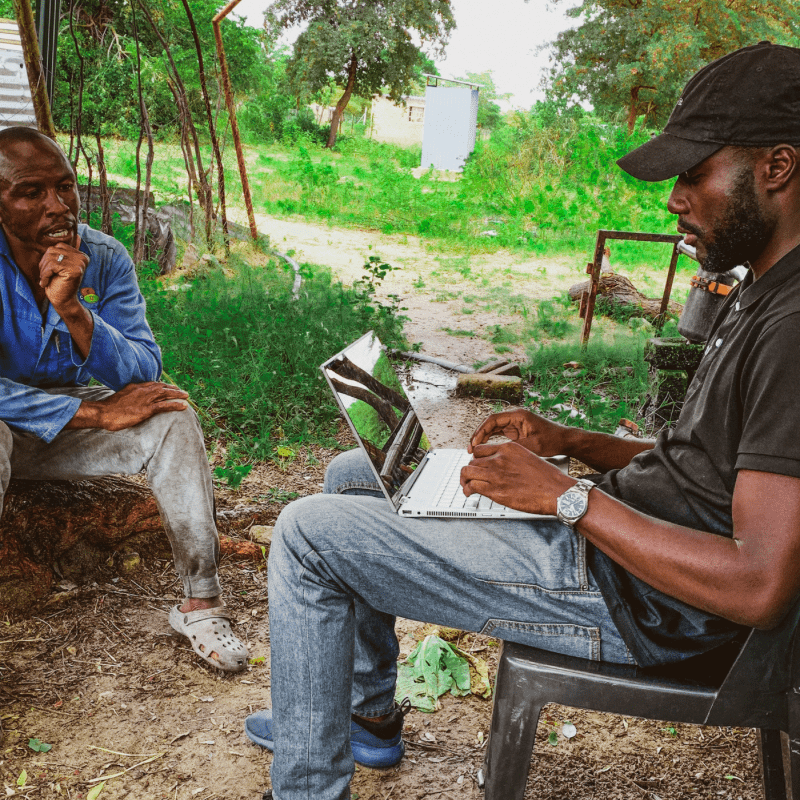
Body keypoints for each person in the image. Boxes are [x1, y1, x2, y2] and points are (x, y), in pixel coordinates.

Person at [249, 41, 800, 799]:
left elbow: (759, 584)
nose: (675, 198)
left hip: (646, 604)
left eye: (695, 172)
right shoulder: (762, 289)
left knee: (309, 533)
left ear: (777, 166)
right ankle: (362, 716)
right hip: (629, 556)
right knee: (354, 475)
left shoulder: (792, 328)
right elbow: (700, 464)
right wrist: (566, 443)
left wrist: (566, 497)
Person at [0, 126, 248, 672]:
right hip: (9, 429)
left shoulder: (103, 257)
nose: (58, 206)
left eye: (65, 187)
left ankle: (201, 603)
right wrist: (93, 412)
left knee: (172, 414)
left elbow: (142, 367)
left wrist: (74, 311)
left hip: (62, 438)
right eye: (31, 192)